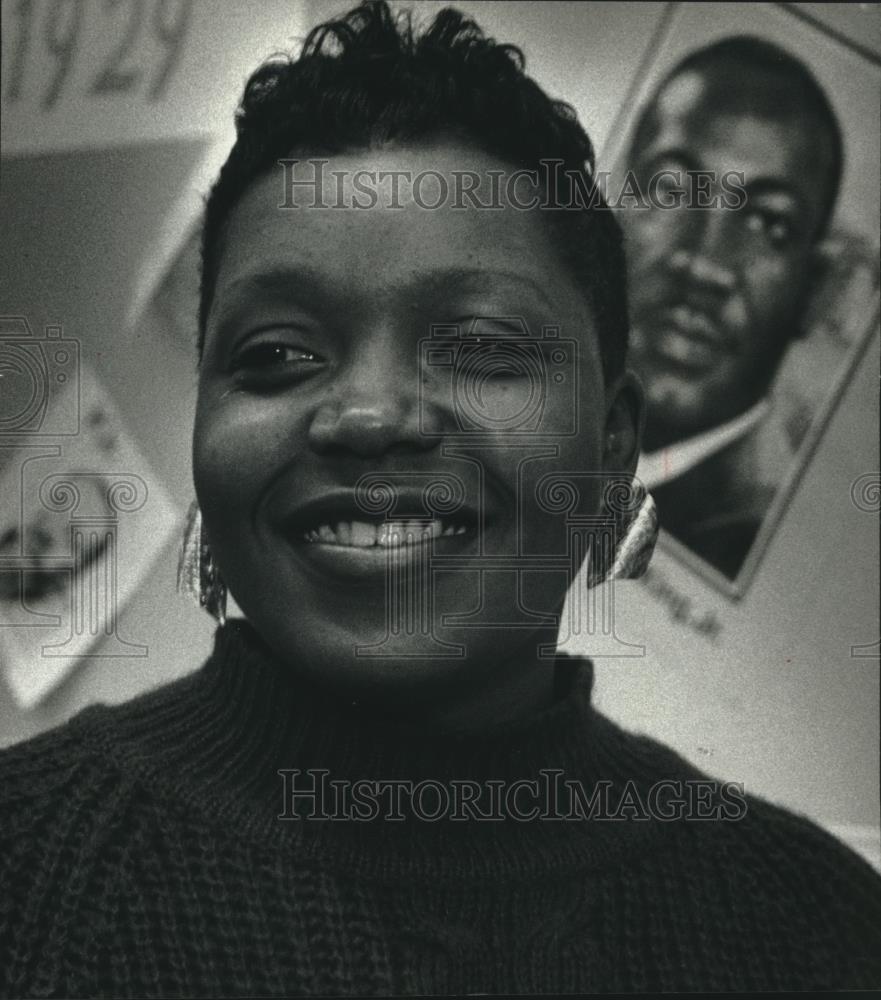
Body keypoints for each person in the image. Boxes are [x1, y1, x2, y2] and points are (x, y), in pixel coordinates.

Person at [1, 3, 879, 995]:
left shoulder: (819, 935)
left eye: (481, 346)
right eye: (277, 353)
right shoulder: (28, 873)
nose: (369, 414)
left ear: (612, 446)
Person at [621, 36, 843, 579]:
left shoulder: (769, 560)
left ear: (814, 292)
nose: (704, 264)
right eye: (671, 190)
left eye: (769, 224)